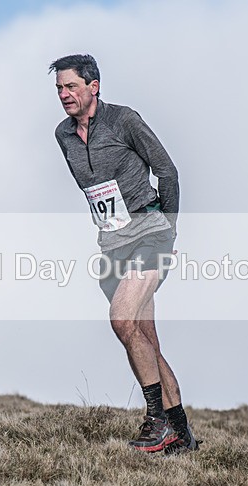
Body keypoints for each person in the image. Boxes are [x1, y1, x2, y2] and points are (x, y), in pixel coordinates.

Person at [50, 54, 199, 454]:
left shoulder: (124, 120)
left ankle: (157, 423)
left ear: (93, 86)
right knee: (144, 338)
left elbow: (167, 170)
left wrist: (169, 227)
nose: (65, 95)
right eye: (60, 89)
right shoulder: (63, 135)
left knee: (121, 319)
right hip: (113, 244)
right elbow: (93, 191)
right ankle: (182, 435)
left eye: (72, 87)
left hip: (151, 234)